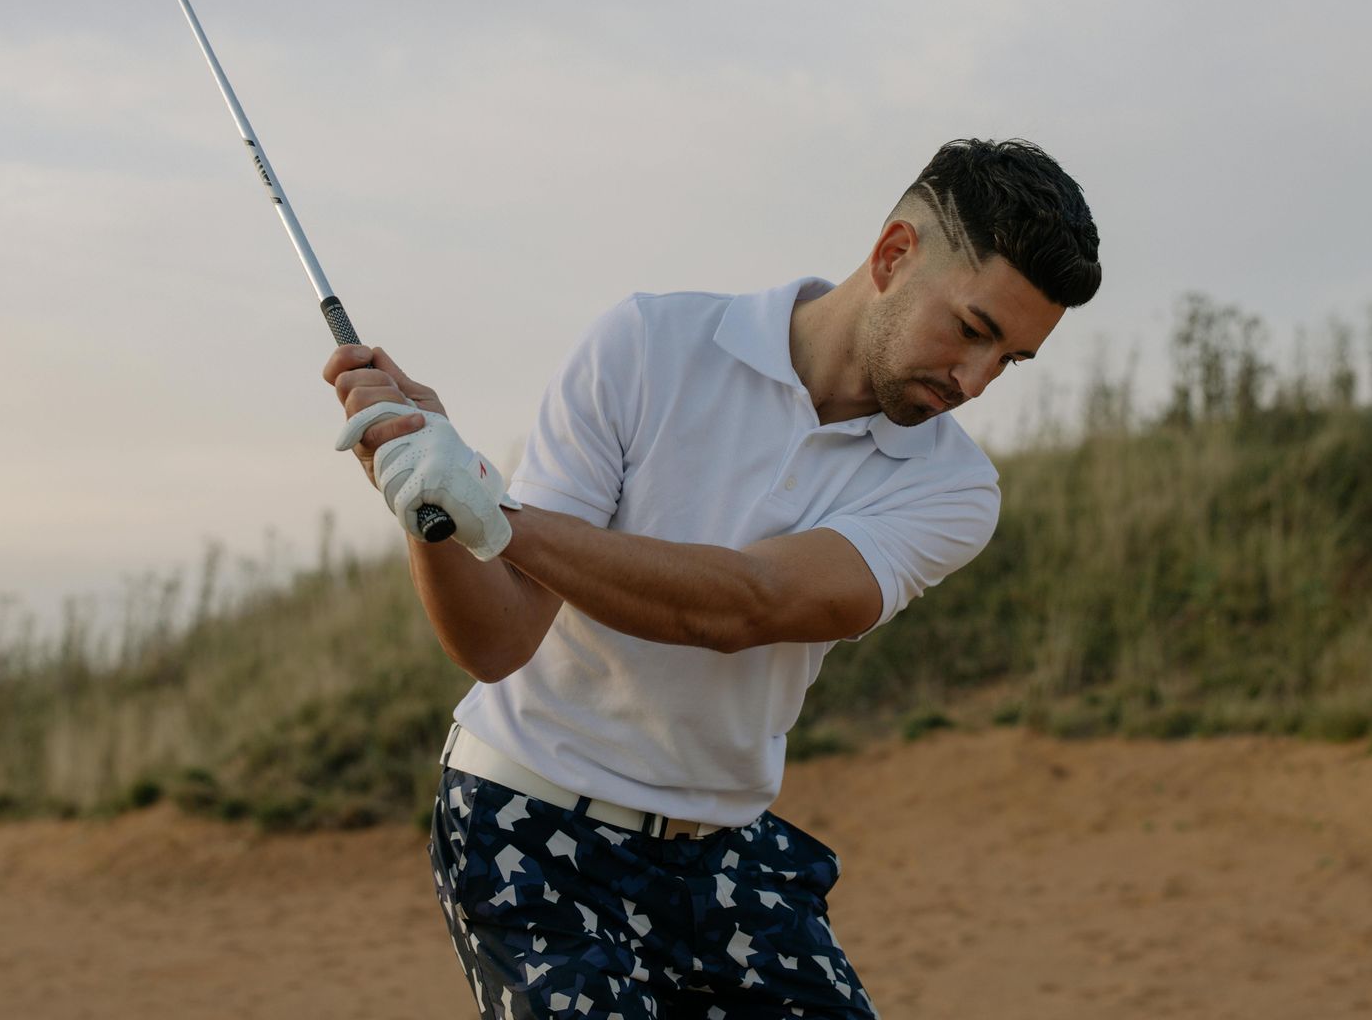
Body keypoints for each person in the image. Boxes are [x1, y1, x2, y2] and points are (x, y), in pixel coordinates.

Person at [322, 138, 1101, 1017]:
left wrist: (487, 512)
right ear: (893, 257)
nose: (976, 381)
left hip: (727, 851)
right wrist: (426, 500)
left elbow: (745, 604)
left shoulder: (953, 486)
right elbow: (498, 643)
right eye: (973, 331)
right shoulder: (650, 343)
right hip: (526, 822)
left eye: (1010, 362)